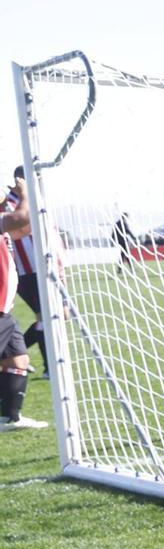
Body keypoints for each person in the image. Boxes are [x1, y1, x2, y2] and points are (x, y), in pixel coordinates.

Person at [0, 175, 46, 431]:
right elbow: (22, 219)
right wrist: (26, 191)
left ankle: (10, 417)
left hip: (4, 308)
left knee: (17, 361)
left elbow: (24, 228)